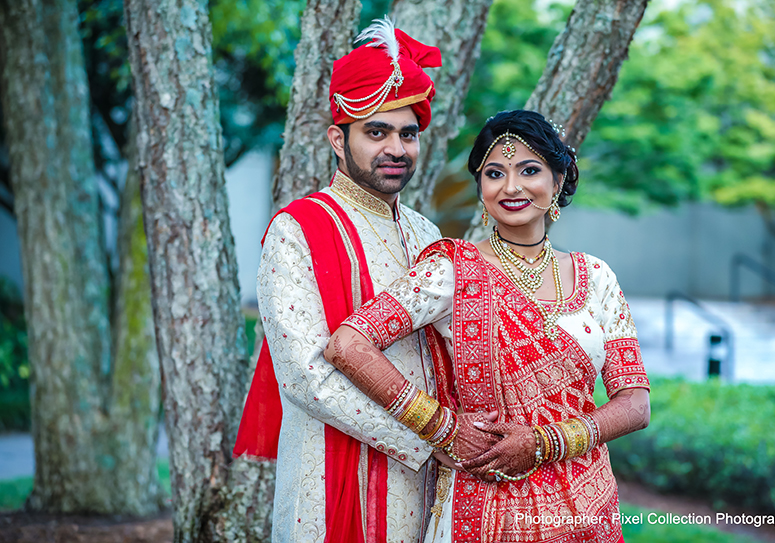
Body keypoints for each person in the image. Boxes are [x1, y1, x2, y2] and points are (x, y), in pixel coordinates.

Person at [325, 110, 651, 543]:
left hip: (588, 508)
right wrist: (442, 426)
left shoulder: (597, 278)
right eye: (494, 173)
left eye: (529, 170)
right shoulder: (452, 272)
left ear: (558, 179)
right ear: (481, 188)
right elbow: (347, 345)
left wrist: (545, 442)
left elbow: (635, 404)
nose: (511, 187)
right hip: (485, 509)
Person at [233, 17, 497, 543]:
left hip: (424, 478)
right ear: (338, 137)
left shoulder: (424, 232)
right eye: (376, 132)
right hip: (328, 475)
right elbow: (306, 377)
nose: (395, 148)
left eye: (407, 134)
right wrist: (432, 433)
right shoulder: (296, 229)